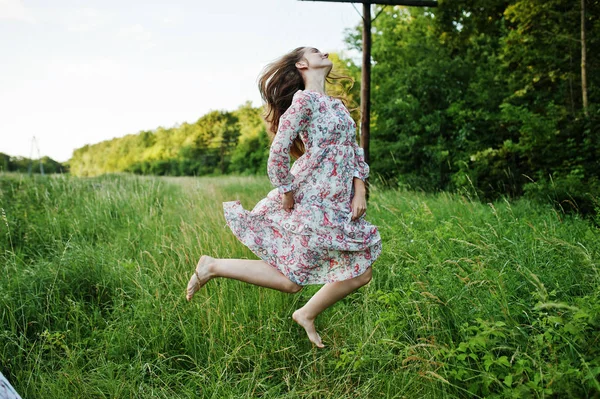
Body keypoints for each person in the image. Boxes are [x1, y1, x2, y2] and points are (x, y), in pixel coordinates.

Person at [186, 46, 382, 348]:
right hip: (314, 201)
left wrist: (360, 191)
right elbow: (277, 152)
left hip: (340, 203)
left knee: (354, 274)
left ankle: (303, 312)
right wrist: (287, 190)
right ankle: (213, 266)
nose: (325, 52)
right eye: (316, 51)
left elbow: (354, 150)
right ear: (302, 64)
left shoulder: (338, 105)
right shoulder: (303, 102)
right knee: (301, 278)